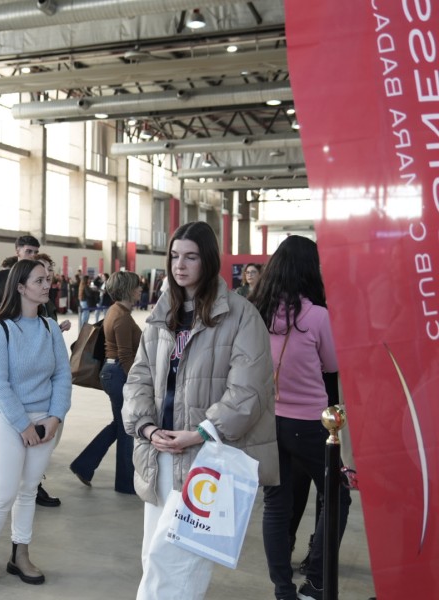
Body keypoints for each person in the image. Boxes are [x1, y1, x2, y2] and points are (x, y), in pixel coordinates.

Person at [122, 221, 278, 600]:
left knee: (176, 565)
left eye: (190, 256)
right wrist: (145, 427)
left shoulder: (241, 315)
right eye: (175, 256)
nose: (180, 265)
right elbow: (139, 375)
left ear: (208, 261)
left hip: (210, 459)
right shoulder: (163, 313)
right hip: (159, 454)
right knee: (154, 557)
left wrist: (203, 432)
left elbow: (248, 391)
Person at [249, 235, 351, 600]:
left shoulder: (257, 311)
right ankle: (318, 579)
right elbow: (333, 365)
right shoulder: (318, 316)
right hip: (310, 425)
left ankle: (283, 590)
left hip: (268, 422)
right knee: (337, 496)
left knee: (277, 504)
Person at [0, 259, 72, 592]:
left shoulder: (49, 328)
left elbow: (62, 376)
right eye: (40, 280)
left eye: (48, 280)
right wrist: (23, 425)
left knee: (28, 491)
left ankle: (20, 554)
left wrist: (55, 417)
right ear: (21, 287)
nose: (47, 285)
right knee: (3, 494)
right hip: (4, 419)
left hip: (44, 421)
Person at [70, 271, 142, 494]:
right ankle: (124, 483)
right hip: (118, 373)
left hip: (114, 373)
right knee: (126, 429)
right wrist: (137, 383)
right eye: (137, 286)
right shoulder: (120, 316)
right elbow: (125, 355)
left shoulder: (117, 311)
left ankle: (84, 465)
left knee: (119, 425)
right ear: (128, 289)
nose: (141, 289)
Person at [0, 235, 40, 303]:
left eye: (36, 252)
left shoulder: (39, 277)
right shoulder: (1, 276)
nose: (33, 255)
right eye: (29, 251)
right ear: (18, 252)